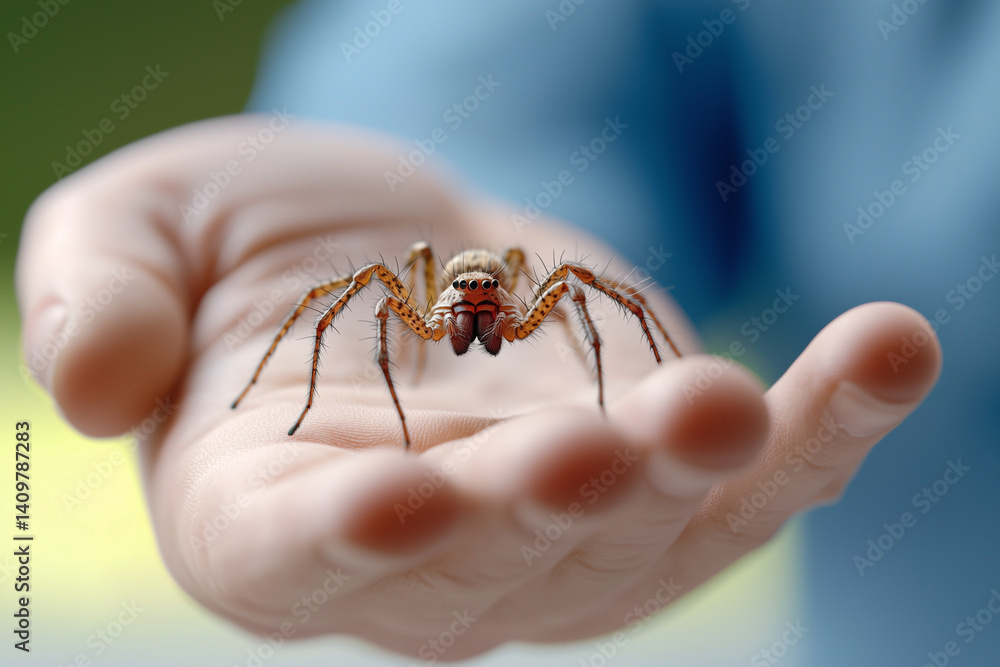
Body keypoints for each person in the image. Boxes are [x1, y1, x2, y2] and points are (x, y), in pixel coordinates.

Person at [16, 2, 992, 664]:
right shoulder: (427, 286)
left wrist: (642, 362)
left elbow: (568, 288)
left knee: (564, 288)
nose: (481, 326)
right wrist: (429, 164)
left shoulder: (520, 296)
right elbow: (496, 51)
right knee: (347, 292)